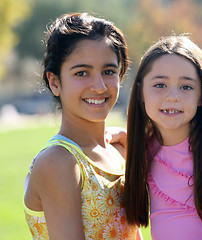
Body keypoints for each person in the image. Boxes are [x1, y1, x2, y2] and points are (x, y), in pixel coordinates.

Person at [23, 12, 142, 239]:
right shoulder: (58, 162)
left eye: (108, 71)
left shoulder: (120, 152)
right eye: (82, 73)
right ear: (55, 82)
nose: (98, 86)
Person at [124, 35, 202, 240]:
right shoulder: (139, 148)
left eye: (186, 87)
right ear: (140, 92)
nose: (173, 97)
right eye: (160, 85)